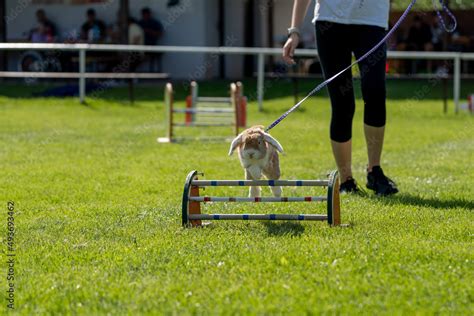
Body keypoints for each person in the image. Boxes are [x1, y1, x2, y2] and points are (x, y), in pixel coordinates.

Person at [283, 0, 398, 195]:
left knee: (375, 92)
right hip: (330, 24)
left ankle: (374, 171)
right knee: (342, 104)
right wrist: (294, 31)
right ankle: (346, 180)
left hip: (372, 22)